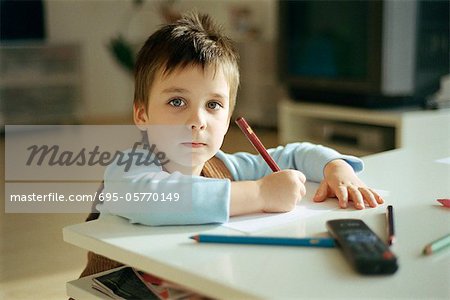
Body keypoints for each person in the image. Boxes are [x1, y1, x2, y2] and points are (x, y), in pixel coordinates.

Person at [78, 11, 384, 280]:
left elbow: (292, 153)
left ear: (228, 120)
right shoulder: (128, 170)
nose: (197, 120)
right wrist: (260, 193)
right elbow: (158, 199)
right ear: (142, 114)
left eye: (213, 105)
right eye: (176, 101)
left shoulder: (224, 166)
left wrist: (335, 167)